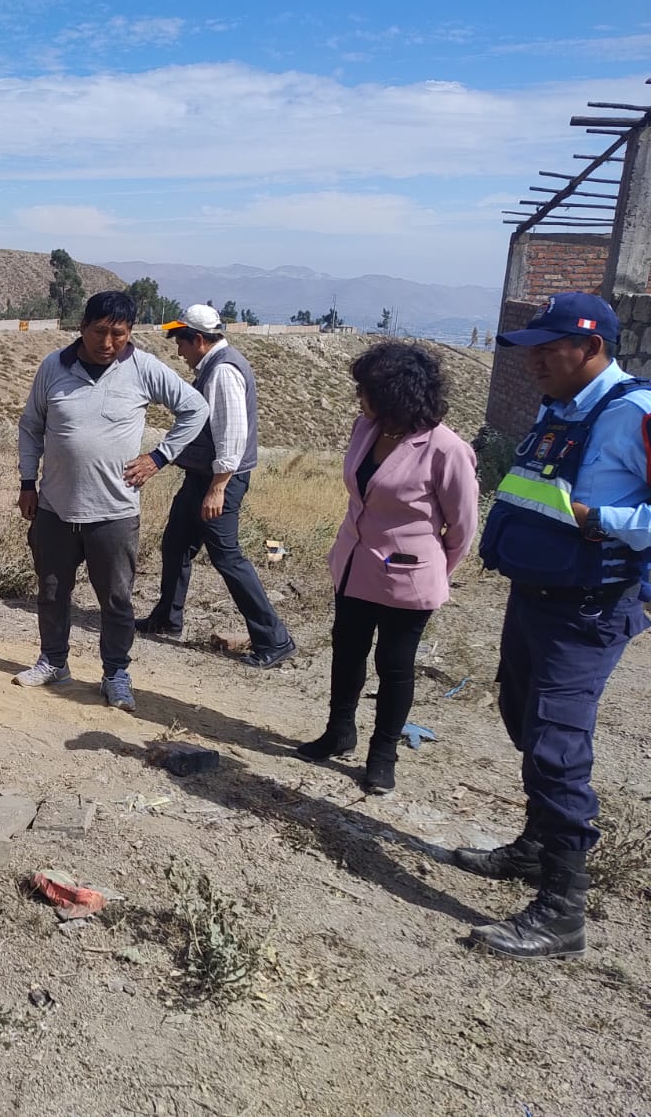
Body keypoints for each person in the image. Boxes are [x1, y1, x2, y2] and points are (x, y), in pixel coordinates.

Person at [453, 291, 651, 960]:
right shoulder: (560, 410)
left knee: (556, 748)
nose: (534, 360)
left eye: (548, 347)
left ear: (591, 347)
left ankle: (562, 910)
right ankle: (537, 847)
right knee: (520, 714)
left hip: (588, 606)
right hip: (534, 595)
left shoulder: (634, 414)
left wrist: (606, 520)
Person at [295, 342, 479, 795]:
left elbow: (463, 527)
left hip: (408, 579)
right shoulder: (366, 428)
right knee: (347, 651)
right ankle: (339, 732)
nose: (360, 397)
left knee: (394, 665)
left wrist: (434, 571)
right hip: (355, 567)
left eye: (368, 389)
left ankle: (383, 756)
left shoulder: (446, 449)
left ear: (395, 392)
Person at [16, 290, 208, 708]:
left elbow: (195, 409)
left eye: (118, 334)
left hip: (115, 512)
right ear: (82, 327)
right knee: (51, 591)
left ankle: (116, 673)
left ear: (130, 333)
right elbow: (31, 426)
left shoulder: (143, 368)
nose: (107, 343)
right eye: (99, 332)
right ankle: (53, 661)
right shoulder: (53, 367)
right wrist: (28, 482)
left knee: (116, 600)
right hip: (54, 507)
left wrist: (159, 457)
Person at [134, 304, 297, 668]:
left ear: (199, 340)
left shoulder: (222, 371)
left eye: (181, 342)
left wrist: (218, 486)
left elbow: (233, 435)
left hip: (219, 479)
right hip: (202, 477)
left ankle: (274, 639)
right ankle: (167, 617)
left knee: (228, 557)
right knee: (176, 542)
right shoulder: (215, 365)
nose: (178, 351)